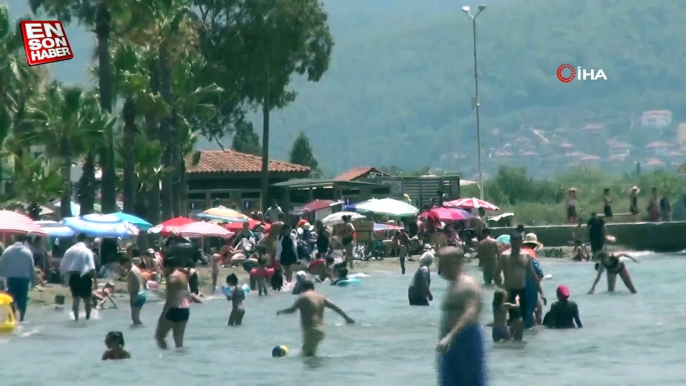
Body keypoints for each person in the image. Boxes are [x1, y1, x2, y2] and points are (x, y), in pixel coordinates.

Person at [435, 247, 486, 386]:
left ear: (456, 262)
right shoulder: (453, 284)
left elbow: (471, 313)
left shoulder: (467, 285)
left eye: (442, 262)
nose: (439, 267)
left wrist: (450, 336)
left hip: (466, 338)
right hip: (451, 342)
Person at [276, 280, 355, 356]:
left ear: (302, 288)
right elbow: (335, 307)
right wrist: (347, 318)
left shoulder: (303, 296)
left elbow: (292, 310)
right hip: (320, 330)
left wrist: (280, 312)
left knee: (307, 357)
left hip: (311, 329)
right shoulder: (321, 297)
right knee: (310, 356)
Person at [493, 232, 545, 341]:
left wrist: (541, 292)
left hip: (523, 291)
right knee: (517, 320)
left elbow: (533, 275)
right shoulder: (504, 256)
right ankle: (512, 342)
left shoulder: (526, 256)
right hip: (510, 291)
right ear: (511, 242)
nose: (516, 245)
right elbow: (496, 274)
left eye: (518, 242)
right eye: (514, 242)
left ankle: (516, 345)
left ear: (521, 242)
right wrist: (501, 287)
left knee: (523, 322)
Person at [155, 258, 201, 349]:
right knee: (179, 341)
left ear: (167, 266)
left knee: (159, 336)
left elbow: (170, 298)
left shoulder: (171, 278)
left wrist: (163, 314)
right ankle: (180, 360)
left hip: (174, 309)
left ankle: (166, 358)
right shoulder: (183, 275)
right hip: (185, 309)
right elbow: (187, 293)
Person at [60, 233, 97, 321]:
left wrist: (62, 277)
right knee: (87, 299)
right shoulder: (87, 251)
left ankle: (76, 319)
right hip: (85, 276)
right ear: (85, 240)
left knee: (75, 299)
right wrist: (95, 282)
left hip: (74, 276)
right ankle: (88, 318)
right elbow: (92, 267)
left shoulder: (69, 250)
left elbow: (63, 265)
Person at [0, 235, 34, 322]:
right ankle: (22, 318)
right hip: (24, 278)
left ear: (14, 239)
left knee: (11, 298)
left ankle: (12, 316)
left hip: (11, 278)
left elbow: (2, 265)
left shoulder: (7, 251)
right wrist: (33, 280)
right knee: (23, 298)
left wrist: (2, 277)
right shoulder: (27, 252)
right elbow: (31, 267)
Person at [118, 256, 145, 326]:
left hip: (137, 295)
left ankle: (139, 333)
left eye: (123, 266)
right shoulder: (136, 269)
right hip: (141, 294)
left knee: (135, 319)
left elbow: (137, 283)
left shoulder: (132, 271)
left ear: (127, 263)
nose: (124, 268)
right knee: (136, 318)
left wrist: (134, 296)